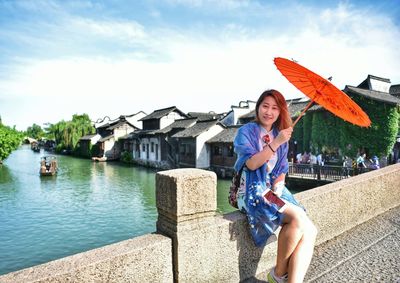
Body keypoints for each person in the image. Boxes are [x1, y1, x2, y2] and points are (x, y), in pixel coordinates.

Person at [234, 89, 317, 283]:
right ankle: (278, 276)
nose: (269, 112)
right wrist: (275, 143)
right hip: (252, 190)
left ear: (280, 112)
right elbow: (252, 164)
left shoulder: (281, 135)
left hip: (272, 191)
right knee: (297, 217)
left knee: (310, 229)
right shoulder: (245, 132)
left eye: (274, 108)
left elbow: (280, 172)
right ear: (258, 108)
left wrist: (278, 189)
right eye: (265, 106)